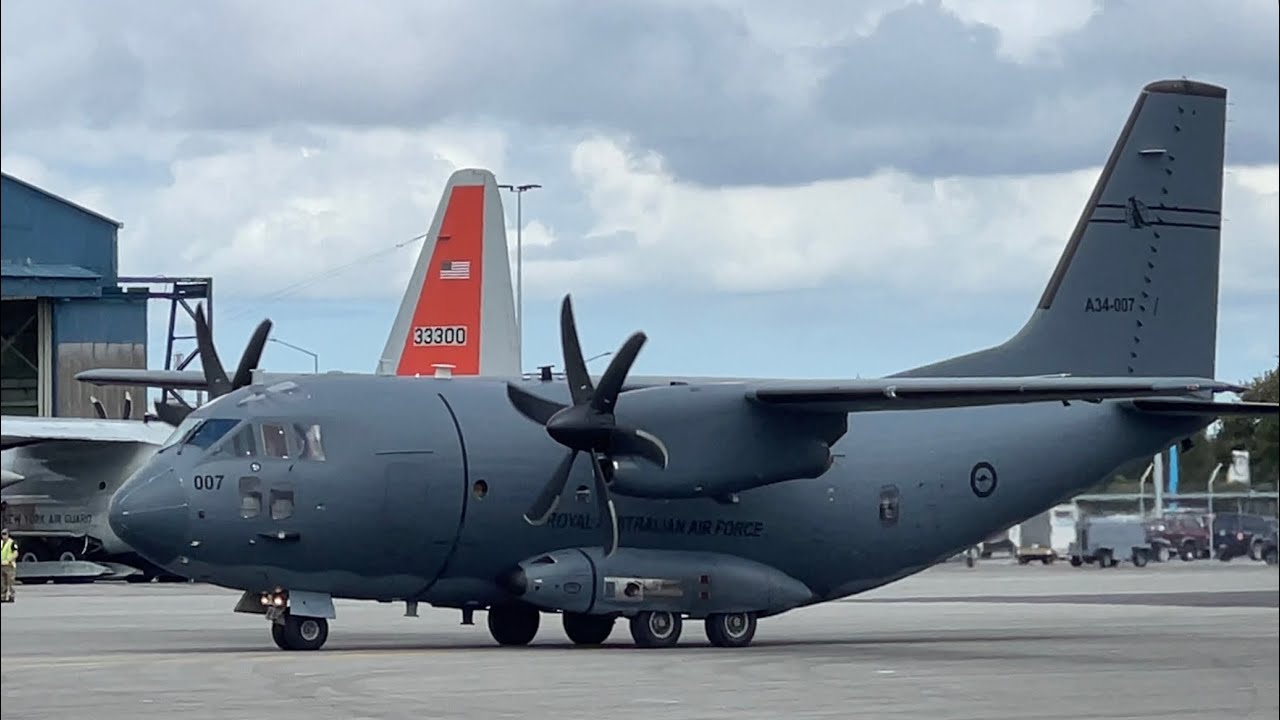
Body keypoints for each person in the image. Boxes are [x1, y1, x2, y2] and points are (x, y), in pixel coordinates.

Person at [1, 528, 17, 603]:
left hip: (9, 566)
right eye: (2, 534)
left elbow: (16, 553)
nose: (3, 536)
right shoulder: (1, 543)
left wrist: (10, 559)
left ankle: (11, 596)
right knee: (2, 582)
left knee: (10, 582)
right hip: (2, 566)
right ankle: (3, 596)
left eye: (5, 534)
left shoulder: (12, 543)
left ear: (8, 534)